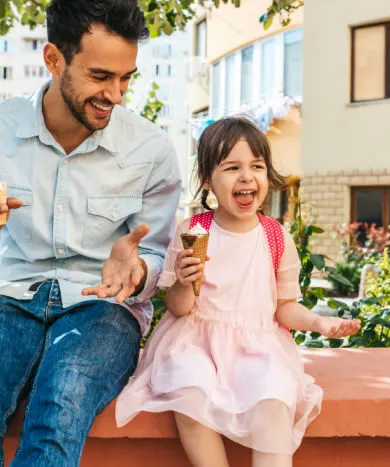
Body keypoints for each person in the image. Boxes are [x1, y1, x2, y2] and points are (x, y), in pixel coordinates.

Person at [116, 117, 360, 467]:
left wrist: (320, 325)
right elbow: (178, 307)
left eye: (256, 166)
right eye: (232, 167)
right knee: (189, 394)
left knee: (275, 401)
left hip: (256, 345)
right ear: (207, 179)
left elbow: (286, 308)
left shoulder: (276, 237)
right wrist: (185, 281)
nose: (247, 177)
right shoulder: (193, 232)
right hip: (196, 342)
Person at [0, 0, 181, 465]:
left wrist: (137, 272)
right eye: (101, 77)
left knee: (61, 405)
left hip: (102, 309)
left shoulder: (151, 151)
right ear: (54, 59)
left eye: (126, 79)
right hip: (7, 295)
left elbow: (161, 259)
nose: (116, 95)